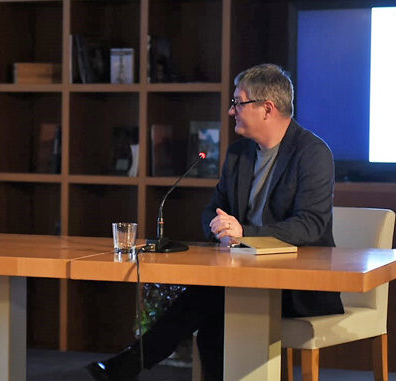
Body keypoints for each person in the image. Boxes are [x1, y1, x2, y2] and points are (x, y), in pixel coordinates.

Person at [86, 64, 344, 381]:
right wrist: (220, 228)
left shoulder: (312, 153)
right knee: (213, 314)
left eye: (238, 102)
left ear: (267, 108)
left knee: (210, 299)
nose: (230, 110)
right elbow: (212, 211)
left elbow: (311, 226)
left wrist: (244, 232)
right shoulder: (238, 155)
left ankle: (130, 363)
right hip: (242, 279)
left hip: (298, 285)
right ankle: (129, 364)